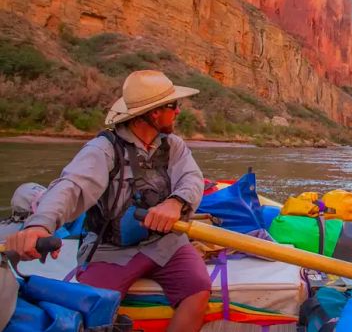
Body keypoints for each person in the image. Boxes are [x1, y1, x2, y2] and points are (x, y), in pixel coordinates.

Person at [5, 70, 211, 332]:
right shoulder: (103, 149)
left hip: (166, 244)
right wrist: (40, 225)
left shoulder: (174, 146)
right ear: (154, 112)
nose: (178, 111)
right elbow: (72, 187)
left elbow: (191, 178)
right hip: (111, 249)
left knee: (198, 290)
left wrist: (176, 202)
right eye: (173, 105)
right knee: (92, 308)